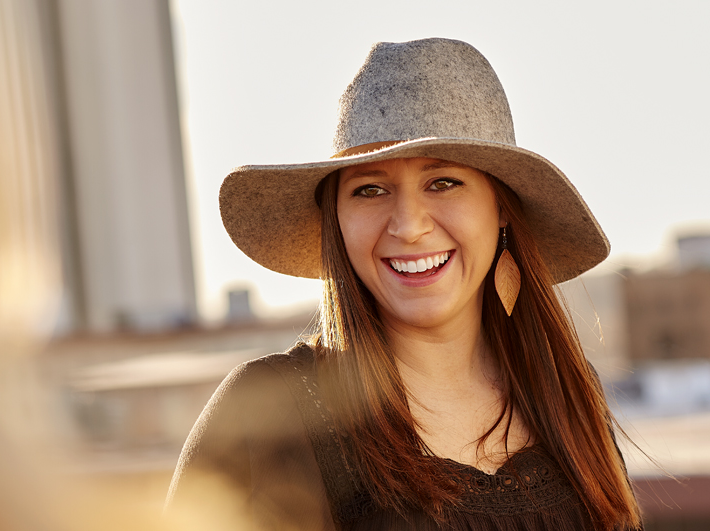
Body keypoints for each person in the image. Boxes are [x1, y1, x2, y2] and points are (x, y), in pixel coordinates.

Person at [167, 38, 642, 531]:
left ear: (500, 206)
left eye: (443, 183)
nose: (409, 225)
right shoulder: (268, 415)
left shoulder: (563, 392)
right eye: (369, 190)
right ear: (338, 221)